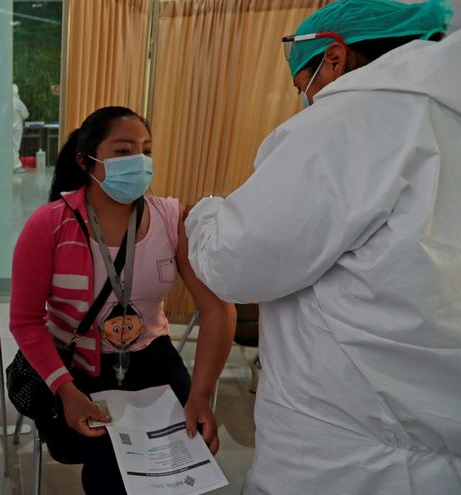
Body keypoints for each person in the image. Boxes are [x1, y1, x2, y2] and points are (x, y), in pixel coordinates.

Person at [183, 1, 460, 493]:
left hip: (348, 451)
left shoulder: (353, 120)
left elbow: (235, 263)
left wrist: (206, 212)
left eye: (304, 87)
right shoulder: (443, 116)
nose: (307, 101)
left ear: (334, 58)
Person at [10, 106, 236, 494]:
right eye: (123, 150)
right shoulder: (49, 225)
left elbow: (217, 309)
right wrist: (67, 392)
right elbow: (26, 321)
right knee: (110, 468)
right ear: (86, 161)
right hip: (74, 364)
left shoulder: (170, 218)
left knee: (188, 457)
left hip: (151, 357)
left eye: (146, 150)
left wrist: (200, 394)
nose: (139, 161)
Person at [12, 83, 29, 171]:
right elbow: (26, 114)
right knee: (15, 146)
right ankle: (16, 166)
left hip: (8, 128)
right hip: (17, 128)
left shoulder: (6, 100)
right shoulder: (17, 102)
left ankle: (11, 165)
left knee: (8, 147)